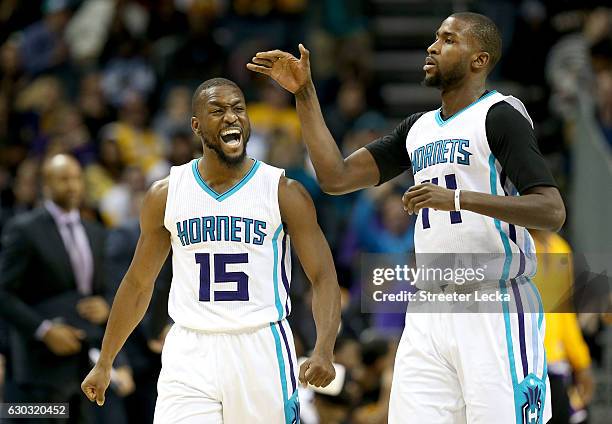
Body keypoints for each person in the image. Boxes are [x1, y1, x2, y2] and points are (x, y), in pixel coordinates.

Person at [247, 12, 565, 424]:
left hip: (494, 302)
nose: (432, 47)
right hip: (429, 306)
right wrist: (304, 92)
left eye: (449, 40)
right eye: (435, 37)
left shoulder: (500, 115)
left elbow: (551, 210)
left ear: (479, 60)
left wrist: (459, 198)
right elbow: (335, 177)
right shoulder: (417, 129)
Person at [81, 78, 341, 423]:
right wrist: (105, 361)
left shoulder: (283, 191)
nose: (231, 117)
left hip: (260, 345)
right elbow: (138, 284)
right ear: (196, 125)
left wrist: (324, 348)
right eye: (218, 110)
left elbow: (323, 276)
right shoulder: (167, 193)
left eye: (238, 109)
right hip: (190, 347)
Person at [0, 154, 131, 423]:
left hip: (82, 367)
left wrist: (106, 304)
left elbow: (107, 287)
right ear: (46, 185)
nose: (71, 185)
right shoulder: (24, 229)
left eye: (75, 178)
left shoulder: (95, 231)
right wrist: (44, 330)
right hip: (36, 369)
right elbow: (3, 292)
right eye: (63, 179)